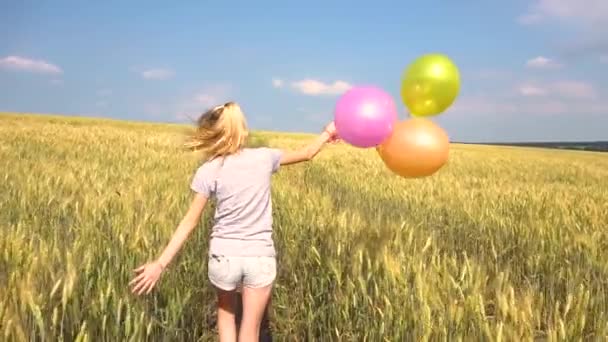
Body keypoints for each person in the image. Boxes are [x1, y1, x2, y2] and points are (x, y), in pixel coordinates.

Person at [129, 101, 339, 341]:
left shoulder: (208, 170)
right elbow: (308, 153)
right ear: (241, 130)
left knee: (226, 316)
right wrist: (328, 133)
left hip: (223, 257)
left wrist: (160, 264)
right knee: (251, 328)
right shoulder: (264, 157)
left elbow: (190, 221)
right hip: (259, 256)